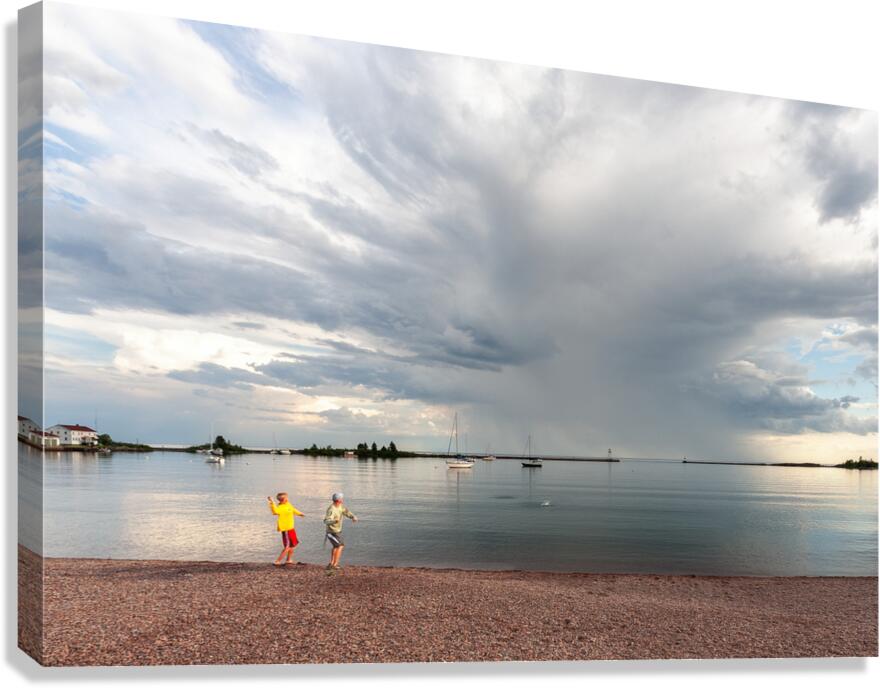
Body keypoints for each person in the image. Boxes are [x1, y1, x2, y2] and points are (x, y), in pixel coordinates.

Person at [267, 492, 305, 566]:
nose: (287, 499)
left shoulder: (288, 504)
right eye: (286, 498)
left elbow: (293, 510)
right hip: (286, 529)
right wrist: (272, 502)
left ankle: (289, 560)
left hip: (291, 528)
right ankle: (277, 561)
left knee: (292, 545)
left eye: (287, 498)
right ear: (283, 500)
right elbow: (274, 511)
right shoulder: (280, 508)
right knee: (287, 546)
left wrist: (300, 514)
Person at [323, 492, 357, 574]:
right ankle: (335, 564)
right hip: (331, 532)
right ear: (338, 500)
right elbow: (326, 521)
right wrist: (334, 521)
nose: (342, 499)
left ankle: (332, 563)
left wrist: (352, 517)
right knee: (340, 546)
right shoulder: (331, 509)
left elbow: (346, 512)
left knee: (336, 546)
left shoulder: (340, 506)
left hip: (337, 531)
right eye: (341, 498)